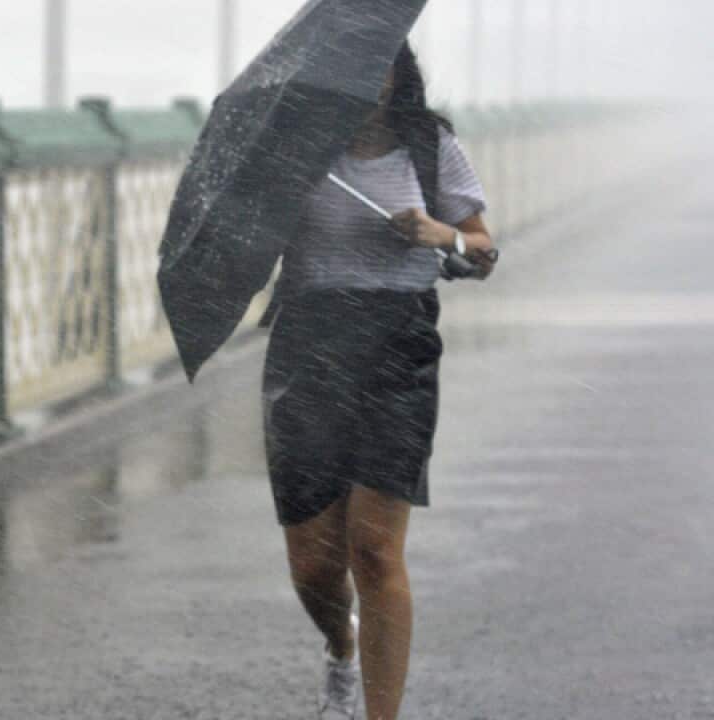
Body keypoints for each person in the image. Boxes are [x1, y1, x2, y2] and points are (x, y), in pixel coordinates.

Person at [260, 43, 496, 720]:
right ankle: (341, 646)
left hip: (398, 347)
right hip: (309, 347)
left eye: (378, 64)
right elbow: (250, 241)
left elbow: (483, 253)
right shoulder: (299, 148)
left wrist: (439, 234)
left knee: (374, 548)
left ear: (398, 72)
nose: (365, 77)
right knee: (314, 565)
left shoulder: (430, 146)